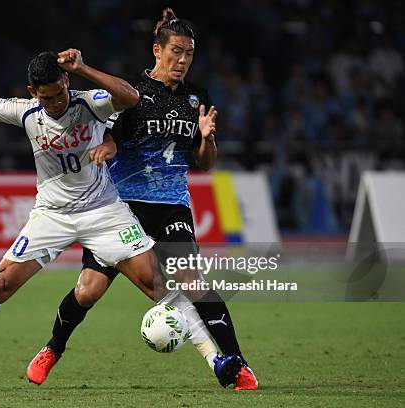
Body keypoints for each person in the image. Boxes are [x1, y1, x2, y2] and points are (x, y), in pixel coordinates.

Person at [0, 48, 220, 391]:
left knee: (154, 283)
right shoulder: (25, 112)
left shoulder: (89, 101)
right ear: (32, 93)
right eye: (48, 97)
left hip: (102, 210)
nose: (56, 103)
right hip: (51, 215)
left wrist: (83, 68)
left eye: (60, 92)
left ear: (66, 81)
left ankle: (215, 359)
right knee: (1, 284)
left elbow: (129, 97)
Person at [26, 9, 258, 391]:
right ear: (157, 50)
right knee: (88, 290)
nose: (182, 61)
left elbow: (203, 165)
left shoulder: (197, 98)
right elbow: (112, 135)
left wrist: (207, 138)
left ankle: (237, 364)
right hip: (123, 207)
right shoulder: (133, 94)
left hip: (171, 204)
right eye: (176, 52)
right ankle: (53, 348)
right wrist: (107, 147)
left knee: (192, 281)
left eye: (189, 54)